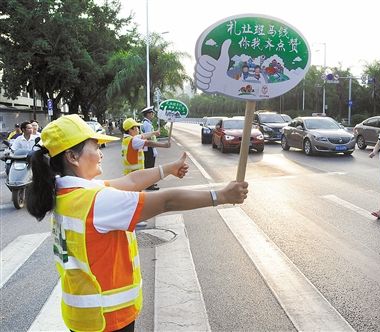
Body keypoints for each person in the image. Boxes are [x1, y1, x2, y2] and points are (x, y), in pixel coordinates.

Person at [25, 114, 248, 332]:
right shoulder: (96, 202)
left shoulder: (66, 194)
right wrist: (221, 196)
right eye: (95, 147)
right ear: (73, 157)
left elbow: (130, 181)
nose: (100, 153)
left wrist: (167, 169)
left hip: (84, 315)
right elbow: (166, 202)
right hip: (107, 319)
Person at [141, 106, 163, 190]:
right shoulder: (146, 124)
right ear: (148, 114)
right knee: (149, 167)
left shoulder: (146, 123)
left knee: (149, 166)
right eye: (152, 113)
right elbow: (149, 136)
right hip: (149, 147)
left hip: (149, 147)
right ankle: (149, 185)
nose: (153, 115)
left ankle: (150, 183)